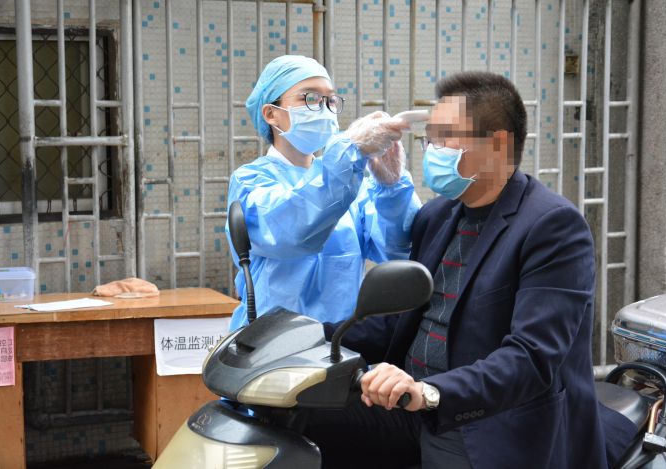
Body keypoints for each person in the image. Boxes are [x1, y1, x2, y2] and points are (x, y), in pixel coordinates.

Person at [305, 71, 637, 469]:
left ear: (498, 144)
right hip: (412, 406)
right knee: (298, 422)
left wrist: (429, 392)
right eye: (429, 139)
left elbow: (531, 358)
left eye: (445, 137)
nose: (432, 151)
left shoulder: (553, 227)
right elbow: (400, 323)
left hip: (489, 421)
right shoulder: (436, 216)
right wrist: (306, 336)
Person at [225, 55, 421, 330]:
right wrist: (348, 151)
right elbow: (292, 230)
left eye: (330, 100)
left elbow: (396, 251)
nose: (324, 108)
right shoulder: (251, 181)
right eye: (310, 98)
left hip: (341, 341)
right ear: (271, 114)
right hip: (272, 343)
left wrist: (392, 189)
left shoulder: (352, 184)